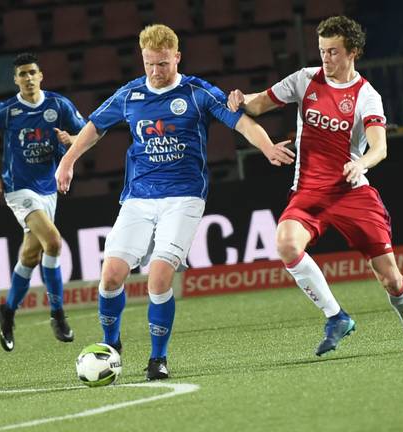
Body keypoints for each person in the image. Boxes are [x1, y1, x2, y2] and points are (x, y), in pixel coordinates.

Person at [55, 24, 295, 380]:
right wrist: (68, 160)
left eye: (163, 63)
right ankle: (111, 345)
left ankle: (158, 358)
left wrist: (268, 147)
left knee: (158, 278)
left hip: (183, 198)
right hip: (138, 198)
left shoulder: (197, 92)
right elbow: (95, 126)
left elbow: (242, 123)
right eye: (150, 64)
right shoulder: (130, 94)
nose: (156, 71)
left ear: (177, 57)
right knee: (110, 276)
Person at [227, 15, 403, 356]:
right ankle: (336, 317)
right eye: (322, 51)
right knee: (286, 244)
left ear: (353, 52)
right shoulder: (305, 79)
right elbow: (260, 103)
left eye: (333, 52)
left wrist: (361, 163)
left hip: (351, 192)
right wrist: (241, 99)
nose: (326, 59)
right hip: (308, 191)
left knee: (389, 277)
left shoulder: (366, 95)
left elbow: (380, 148)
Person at [0, 52, 87, 352]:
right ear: (15, 80)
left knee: (29, 256)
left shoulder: (58, 105)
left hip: (48, 189)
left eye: (32, 73)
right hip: (19, 188)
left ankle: (8, 311)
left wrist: (71, 140)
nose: (28, 78)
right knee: (53, 242)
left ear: (41, 76)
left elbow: (85, 131)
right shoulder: (8, 110)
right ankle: (58, 314)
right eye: (22, 74)